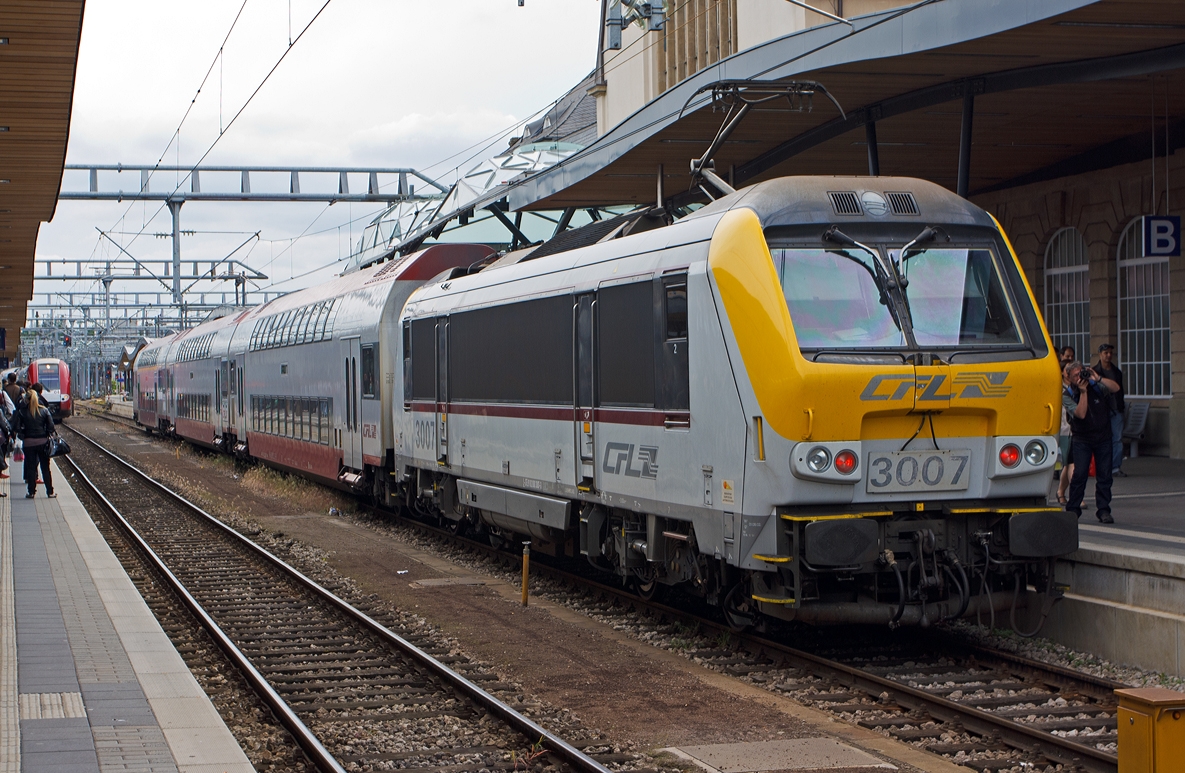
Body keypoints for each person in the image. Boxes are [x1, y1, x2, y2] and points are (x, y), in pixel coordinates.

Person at [1062, 361, 1119, 523]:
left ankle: (1103, 510)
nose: (1080, 377)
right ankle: (1073, 510)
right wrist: (1083, 393)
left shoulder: (1096, 385)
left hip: (1103, 437)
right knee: (1079, 475)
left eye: (1082, 372)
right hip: (1082, 439)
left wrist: (1098, 378)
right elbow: (1080, 414)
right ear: (1069, 378)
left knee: (1105, 475)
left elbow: (1115, 388)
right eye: (1076, 376)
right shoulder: (1068, 395)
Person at [12, 387, 55, 499]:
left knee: (31, 468)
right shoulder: (44, 410)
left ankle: (31, 492)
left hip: (29, 443)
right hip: (43, 442)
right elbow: (51, 427)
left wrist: (24, 435)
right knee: (45, 468)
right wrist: (45, 433)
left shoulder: (22, 412)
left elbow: (16, 427)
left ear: (26, 400)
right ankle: (50, 492)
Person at [1094, 343, 1126, 478]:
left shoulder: (1116, 372)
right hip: (1101, 410)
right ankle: (1103, 466)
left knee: (1117, 439)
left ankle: (1115, 467)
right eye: (1105, 353)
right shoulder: (1095, 371)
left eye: (1110, 353)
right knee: (1102, 439)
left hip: (1116, 409)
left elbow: (1120, 390)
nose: (1108, 356)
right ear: (1100, 354)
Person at [1056, 360, 1075, 505]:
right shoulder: (1057, 388)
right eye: (1067, 370)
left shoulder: (1077, 387)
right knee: (1070, 463)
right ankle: (1074, 496)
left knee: (1069, 464)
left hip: (1077, 430)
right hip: (1064, 430)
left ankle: (1061, 491)